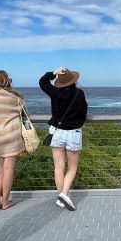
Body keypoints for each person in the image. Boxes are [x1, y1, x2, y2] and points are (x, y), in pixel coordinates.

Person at [39, 67, 88, 210]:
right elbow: (83, 113)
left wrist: (53, 73)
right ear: (74, 80)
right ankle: (64, 194)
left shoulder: (55, 92)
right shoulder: (79, 93)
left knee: (58, 167)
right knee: (72, 168)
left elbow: (42, 82)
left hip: (57, 131)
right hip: (73, 132)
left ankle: (61, 197)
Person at [0, 70, 26, 210]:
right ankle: (5, 201)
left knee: (1, 169)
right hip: (11, 136)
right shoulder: (14, 98)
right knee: (8, 169)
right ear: (8, 81)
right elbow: (24, 113)